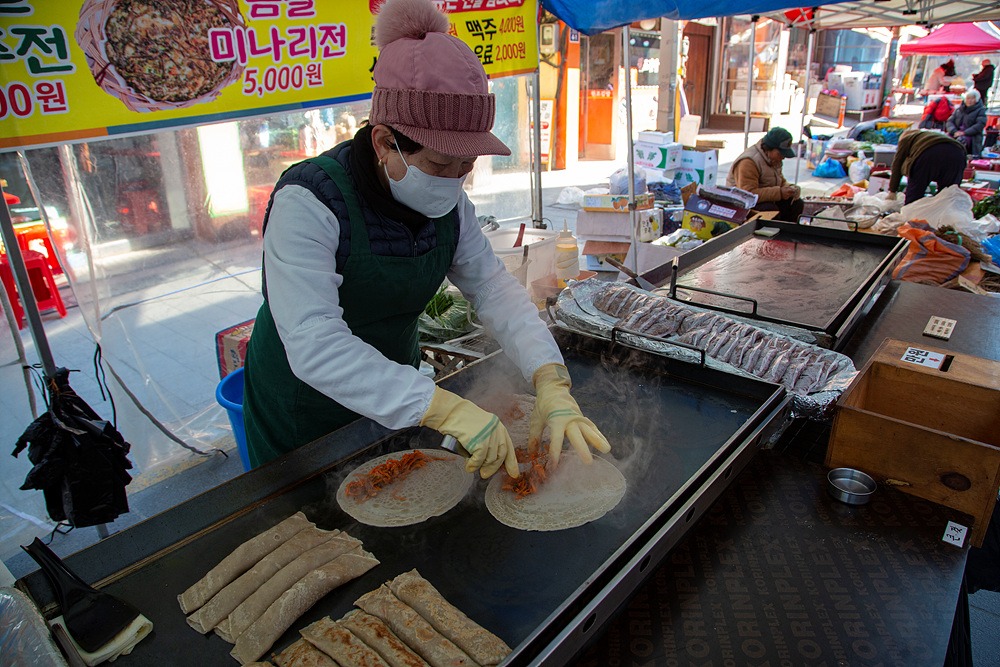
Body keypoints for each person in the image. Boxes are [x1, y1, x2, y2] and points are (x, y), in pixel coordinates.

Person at [241, 0, 610, 475]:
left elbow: (494, 288)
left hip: (404, 398)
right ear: (383, 143)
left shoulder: (451, 203)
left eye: (467, 165)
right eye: (441, 165)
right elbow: (314, 342)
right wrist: (447, 411)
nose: (456, 179)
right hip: (305, 414)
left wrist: (549, 378)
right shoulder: (309, 202)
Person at [726, 127, 804, 222]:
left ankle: (788, 233)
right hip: (743, 205)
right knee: (770, 210)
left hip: (766, 200)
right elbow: (748, 194)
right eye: (780, 154)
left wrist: (790, 188)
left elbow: (780, 180)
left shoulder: (774, 159)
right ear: (769, 148)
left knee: (796, 203)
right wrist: (779, 193)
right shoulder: (749, 162)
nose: (783, 157)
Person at [887, 129, 967, 204]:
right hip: (958, 153)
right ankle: (947, 216)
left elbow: (897, 164)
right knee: (948, 195)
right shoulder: (930, 136)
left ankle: (911, 216)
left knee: (914, 197)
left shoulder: (906, 139)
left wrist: (892, 190)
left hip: (928, 154)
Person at [946, 89, 988, 155]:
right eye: (968, 98)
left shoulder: (980, 110)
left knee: (960, 142)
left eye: (972, 99)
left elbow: (980, 125)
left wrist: (964, 133)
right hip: (956, 133)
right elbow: (950, 121)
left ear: (976, 100)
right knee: (945, 140)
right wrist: (954, 131)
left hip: (971, 135)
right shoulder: (959, 110)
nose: (970, 101)